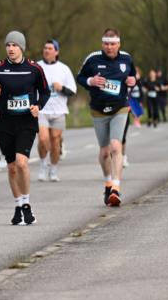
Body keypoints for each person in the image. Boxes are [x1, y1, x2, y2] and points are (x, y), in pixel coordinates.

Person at [0, 31, 49, 225]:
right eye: (8, 45)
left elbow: (45, 91)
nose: (11, 49)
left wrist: (38, 106)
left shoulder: (34, 69)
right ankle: (18, 206)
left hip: (26, 122)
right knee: (12, 167)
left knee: (21, 163)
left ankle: (27, 205)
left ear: (22, 47)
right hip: (5, 123)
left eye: (14, 45)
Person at [76, 28, 137, 207]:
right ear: (102, 44)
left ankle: (116, 188)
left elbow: (133, 77)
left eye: (112, 44)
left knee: (116, 146)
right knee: (104, 152)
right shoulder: (93, 59)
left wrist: (133, 81)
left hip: (120, 108)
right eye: (106, 44)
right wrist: (91, 81)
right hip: (98, 109)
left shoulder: (127, 59)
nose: (109, 47)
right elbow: (80, 77)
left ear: (119, 44)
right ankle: (108, 183)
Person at [36, 39, 76, 182]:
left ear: (56, 52)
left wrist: (61, 88)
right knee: (43, 139)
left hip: (59, 111)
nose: (46, 50)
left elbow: (73, 90)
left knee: (55, 141)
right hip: (41, 110)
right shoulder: (37, 67)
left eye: (50, 48)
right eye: (45, 48)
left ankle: (53, 169)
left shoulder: (64, 69)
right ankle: (43, 164)